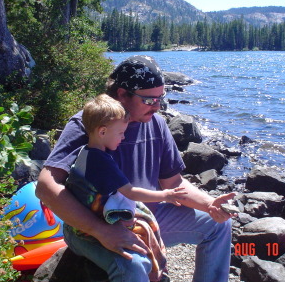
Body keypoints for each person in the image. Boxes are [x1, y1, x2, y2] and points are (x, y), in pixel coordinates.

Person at [36, 55, 236, 282]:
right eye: (149, 100)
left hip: (147, 217)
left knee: (218, 225)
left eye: (161, 98)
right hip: (94, 225)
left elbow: (174, 183)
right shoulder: (88, 124)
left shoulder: (156, 124)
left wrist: (209, 205)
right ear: (122, 94)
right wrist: (101, 231)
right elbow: (46, 186)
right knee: (133, 266)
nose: (158, 106)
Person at [65, 93, 186, 281]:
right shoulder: (102, 161)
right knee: (146, 228)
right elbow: (131, 192)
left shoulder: (84, 153)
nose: (123, 138)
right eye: (121, 133)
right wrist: (166, 195)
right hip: (91, 226)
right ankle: (157, 274)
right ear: (102, 132)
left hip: (83, 218)